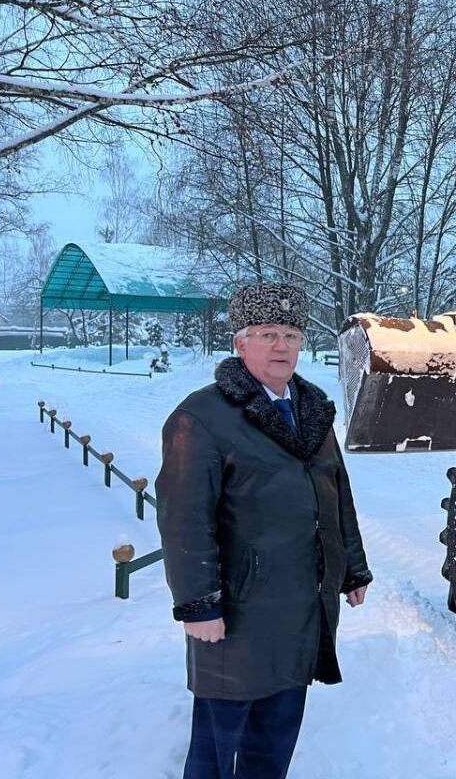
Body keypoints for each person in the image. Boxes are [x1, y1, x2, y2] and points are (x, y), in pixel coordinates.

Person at [156, 283, 372, 779]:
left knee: (274, 742)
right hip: (236, 615)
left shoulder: (313, 410)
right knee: (216, 748)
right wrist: (198, 605)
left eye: (291, 334)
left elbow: (336, 493)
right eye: (267, 333)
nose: (281, 346)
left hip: (300, 608)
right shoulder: (202, 418)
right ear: (240, 342)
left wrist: (352, 569)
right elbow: (183, 520)